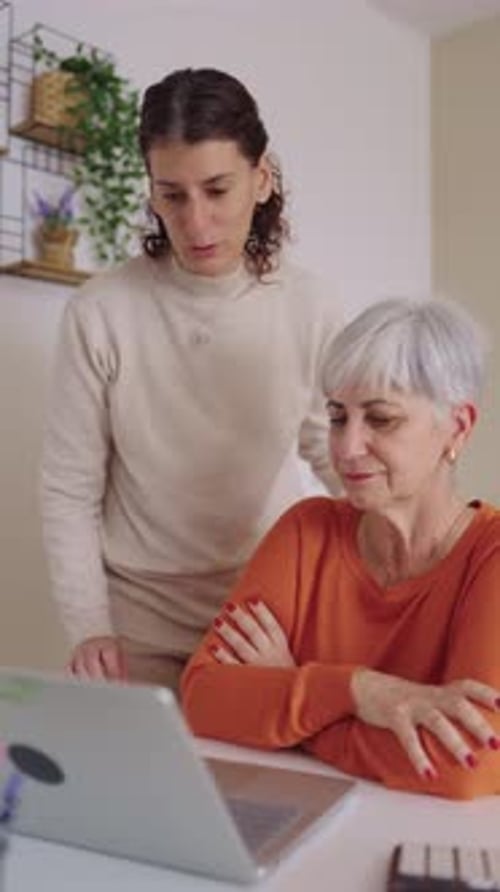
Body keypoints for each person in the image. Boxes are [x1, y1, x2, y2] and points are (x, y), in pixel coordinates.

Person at [40, 67, 341, 692]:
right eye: (172, 195)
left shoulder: (309, 305)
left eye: (216, 189)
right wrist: (89, 625)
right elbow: (69, 487)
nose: (196, 222)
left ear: (261, 180)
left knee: (263, 786)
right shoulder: (101, 311)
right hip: (136, 620)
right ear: (151, 193)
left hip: (262, 615)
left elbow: (332, 449)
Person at [181, 297, 500, 800]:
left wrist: (293, 702)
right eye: (337, 417)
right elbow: (203, 698)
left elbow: (469, 762)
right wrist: (357, 691)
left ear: (457, 428)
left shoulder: (490, 555)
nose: (347, 448)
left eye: (381, 419)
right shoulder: (307, 531)